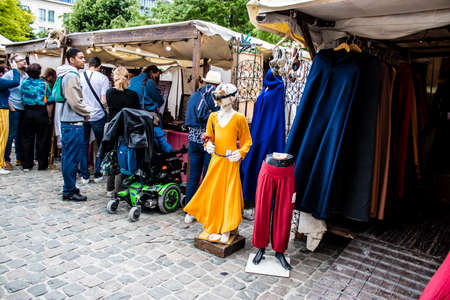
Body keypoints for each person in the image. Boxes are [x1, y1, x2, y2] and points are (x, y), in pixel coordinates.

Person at [184, 83, 252, 244]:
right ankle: (214, 225)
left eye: (224, 96)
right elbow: (208, 136)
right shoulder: (213, 117)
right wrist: (208, 145)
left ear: (232, 98)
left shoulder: (239, 118)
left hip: (230, 163)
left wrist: (240, 152)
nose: (221, 100)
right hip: (216, 161)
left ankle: (227, 228)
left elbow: (247, 141)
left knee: (228, 195)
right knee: (214, 194)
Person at [184, 70, 221, 223]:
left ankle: (189, 209)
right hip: (208, 140)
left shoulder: (194, 96)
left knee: (193, 175)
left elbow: (187, 120)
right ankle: (204, 209)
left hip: (193, 139)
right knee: (207, 176)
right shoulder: (216, 96)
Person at [58, 47, 91, 201]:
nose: (84, 60)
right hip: (72, 122)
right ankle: (69, 190)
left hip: (70, 122)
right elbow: (74, 101)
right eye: (81, 57)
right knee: (70, 158)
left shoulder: (69, 75)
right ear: (72, 59)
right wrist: (86, 112)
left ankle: (69, 188)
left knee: (69, 157)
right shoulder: (71, 76)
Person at [105, 66, 141, 196]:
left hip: (111, 127)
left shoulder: (109, 93)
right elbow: (137, 113)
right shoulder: (132, 95)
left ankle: (109, 188)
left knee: (111, 157)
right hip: (125, 129)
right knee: (123, 158)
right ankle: (119, 189)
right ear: (128, 78)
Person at [79, 57, 110, 184]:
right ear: (99, 66)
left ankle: (85, 175)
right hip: (97, 115)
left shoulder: (79, 76)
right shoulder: (103, 78)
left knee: (84, 144)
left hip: (83, 114)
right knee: (100, 144)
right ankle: (98, 172)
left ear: (89, 65)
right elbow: (104, 100)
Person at [20, 63, 53, 171]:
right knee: (42, 139)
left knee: (27, 138)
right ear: (39, 72)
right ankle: (42, 164)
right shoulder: (44, 84)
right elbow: (49, 101)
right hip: (41, 112)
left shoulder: (24, 83)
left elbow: (21, 96)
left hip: (27, 111)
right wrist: (49, 116)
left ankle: (26, 164)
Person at [3, 53, 28, 171]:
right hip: (13, 107)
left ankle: (20, 157)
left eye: (24, 60)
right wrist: (10, 106)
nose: (24, 62)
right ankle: (6, 159)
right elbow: (3, 91)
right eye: (21, 60)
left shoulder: (27, 76)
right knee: (11, 134)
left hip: (24, 108)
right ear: (14, 63)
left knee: (21, 134)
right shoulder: (9, 75)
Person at [0, 63, 20, 175]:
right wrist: (15, 70)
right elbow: (16, 82)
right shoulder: (1, 81)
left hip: (3, 108)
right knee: (3, 137)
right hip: (1, 109)